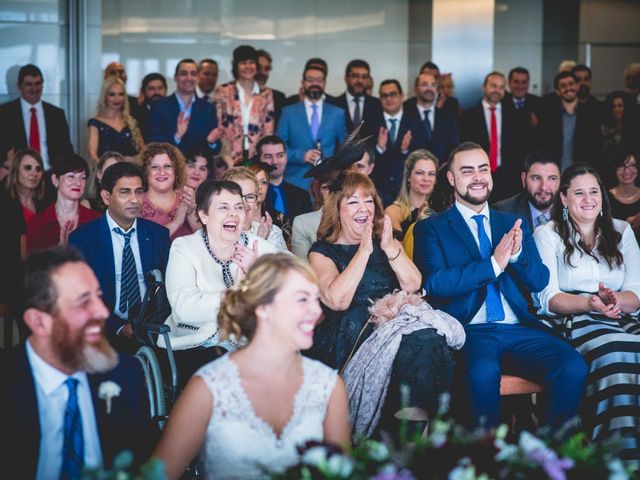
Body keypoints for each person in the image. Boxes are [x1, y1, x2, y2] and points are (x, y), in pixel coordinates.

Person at [413, 142, 587, 430]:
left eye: (483, 169)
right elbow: (435, 283)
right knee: (480, 374)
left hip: (518, 328)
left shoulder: (513, 223)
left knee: (572, 365)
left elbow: (538, 281)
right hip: (471, 331)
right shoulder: (431, 228)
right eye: (467, 171)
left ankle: (548, 457)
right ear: (451, 179)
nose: (478, 176)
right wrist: (494, 265)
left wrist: (517, 256)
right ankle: (485, 462)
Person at [153, 254, 350, 479]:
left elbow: (341, 474)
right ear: (263, 308)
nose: (316, 311)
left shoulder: (329, 387)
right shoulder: (209, 388)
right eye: (302, 299)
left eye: (316, 299)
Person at [307, 171, 454, 432]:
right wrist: (363, 250)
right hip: (352, 331)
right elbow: (337, 300)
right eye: (353, 202)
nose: (363, 208)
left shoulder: (385, 242)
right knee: (417, 344)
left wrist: (387, 247)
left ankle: (415, 431)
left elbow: (413, 284)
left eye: (368, 201)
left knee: (429, 340)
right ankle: (398, 435)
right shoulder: (322, 251)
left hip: (396, 323)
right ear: (337, 210)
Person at [0, 247, 156, 479]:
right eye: (84, 302)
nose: (103, 312)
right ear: (39, 322)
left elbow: (141, 464)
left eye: (99, 296)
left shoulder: (125, 374)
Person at [533, 163, 640, 463]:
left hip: (623, 313)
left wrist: (614, 300)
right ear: (564, 199)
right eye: (579, 193)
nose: (588, 199)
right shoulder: (548, 234)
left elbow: (637, 292)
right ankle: (616, 458)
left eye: (594, 191)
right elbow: (548, 297)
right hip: (573, 317)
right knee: (618, 350)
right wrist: (591, 303)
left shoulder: (622, 231)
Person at [159, 180, 277, 386]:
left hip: (248, 343)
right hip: (198, 343)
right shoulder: (185, 247)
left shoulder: (259, 248)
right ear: (204, 215)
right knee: (223, 366)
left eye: (238, 207)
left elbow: (285, 299)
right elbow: (184, 308)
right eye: (223, 207)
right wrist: (235, 294)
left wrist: (257, 272)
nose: (233, 214)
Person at [69, 162, 171, 351]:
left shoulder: (158, 235)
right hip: (102, 331)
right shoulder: (84, 239)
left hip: (150, 330)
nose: (134, 200)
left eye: (139, 192)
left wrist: (149, 325)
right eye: (125, 192)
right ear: (106, 197)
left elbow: (169, 287)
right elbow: (80, 296)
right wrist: (119, 327)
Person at [277, 64, 347, 190]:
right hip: (295, 181)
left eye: (319, 80)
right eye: (310, 80)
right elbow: (278, 148)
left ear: (325, 83)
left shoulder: (337, 113)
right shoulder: (288, 112)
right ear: (303, 83)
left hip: (329, 182)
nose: (315, 83)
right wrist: (301, 155)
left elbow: (344, 148)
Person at [0, 64, 74, 171]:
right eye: (28, 84)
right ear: (19, 86)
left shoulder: (56, 114)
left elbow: (66, 150)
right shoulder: (5, 113)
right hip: (16, 176)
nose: (34, 89)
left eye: (38, 83)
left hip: (50, 175)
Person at [460, 71, 520, 201]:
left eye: (501, 87)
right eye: (493, 85)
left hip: (507, 179)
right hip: (477, 177)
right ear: (484, 87)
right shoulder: (468, 116)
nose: (497, 90)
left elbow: (519, 149)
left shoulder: (514, 116)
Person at [213, 45, 275, 165]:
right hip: (227, 161)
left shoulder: (266, 94)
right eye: (243, 62)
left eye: (251, 62)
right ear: (236, 66)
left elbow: (268, 131)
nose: (248, 66)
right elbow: (219, 129)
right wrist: (229, 162)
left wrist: (260, 162)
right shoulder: (223, 91)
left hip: (257, 162)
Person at [0, 149, 48, 304]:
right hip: (9, 271)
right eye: (27, 168)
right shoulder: (4, 200)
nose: (34, 173)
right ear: (15, 171)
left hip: (40, 271)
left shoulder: (45, 202)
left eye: (38, 169)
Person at [372, 79, 430, 205]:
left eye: (392, 94)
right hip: (379, 191)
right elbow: (365, 158)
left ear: (401, 96)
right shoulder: (371, 122)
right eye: (384, 95)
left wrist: (405, 150)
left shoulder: (415, 121)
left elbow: (423, 154)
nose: (389, 99)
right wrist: (379, 148)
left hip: (407, 190)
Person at [27, 154, 100, 252]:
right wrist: (60, 250)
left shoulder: (96, 220)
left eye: (82, 177)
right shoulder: (38, 222)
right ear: (55, 180)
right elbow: (32, 265)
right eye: (71, 176)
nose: (78, 183)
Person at [148, 58, 221, 156]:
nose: (189, 78)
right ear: (175, 77)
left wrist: (211, 142)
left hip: (197, 169)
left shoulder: (208, 109)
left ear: (198, 78)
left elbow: (216, 148)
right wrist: (176, 137)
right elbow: (152, 142)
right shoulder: (159, 106)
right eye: (184, 73)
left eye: (193, 74)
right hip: (169, 167)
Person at [537, 71, 603, 172]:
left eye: (571, 84)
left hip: (582, 173)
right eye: (563, 86)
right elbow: (542, 147)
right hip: (553, 173)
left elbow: (596, 148)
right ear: (558, 91)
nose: (568, 88)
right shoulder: (548, 116)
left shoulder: (591, 115)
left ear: (577, 86)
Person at [257, 135, 313, 245]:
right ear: (259, 159)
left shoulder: (302, 195)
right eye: (268, 156)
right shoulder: (255, 196)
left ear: (286, 157)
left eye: (280, 155)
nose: (275, 161)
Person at [139, 142, 198, 240]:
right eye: (154, 167)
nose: (162, 172)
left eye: (167, 166)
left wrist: (192, 211)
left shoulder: (187, 197)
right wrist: (176, 222)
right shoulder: (137, 203)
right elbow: (144, 242)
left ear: (176, 170)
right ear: (145, 172)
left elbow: (205, 240)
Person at [222, 167, 288, 252]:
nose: (244, 204)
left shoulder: (272, 233)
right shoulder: (216, 233)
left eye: (250, 197)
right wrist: (260, 239)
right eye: (238, 196)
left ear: (256, 203)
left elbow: (281, 265)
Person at [493, 150, 561, 230]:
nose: (544, 187)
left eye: (552, 178)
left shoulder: (570, 211)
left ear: (560, 180)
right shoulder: (501, 213)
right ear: (524, 179)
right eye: (536, 178)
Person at [88, 76, 144, 163]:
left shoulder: (131, 122)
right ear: (105, 96)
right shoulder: (95, 123)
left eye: (121, 94)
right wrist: (105, 168)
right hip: (107, 173)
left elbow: (144, 151)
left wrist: (134, 158)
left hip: (131, 172)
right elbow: (93, 156)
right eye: (112, 94)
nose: (117, 99)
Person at [327, 59, 384, 143]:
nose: (360, 81)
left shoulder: (377, 104)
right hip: (340, 155)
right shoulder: (334, 105)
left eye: (364, 77)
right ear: (346, 78)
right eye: (355, 76)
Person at [385, 149, 438, 240]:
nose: (426, 179)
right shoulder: (393, 212)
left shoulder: (436, 215)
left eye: (431, 174)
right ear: (408, 177)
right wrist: (418, 227)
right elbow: (394, 248)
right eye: (420, 173)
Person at [607, 146, 640, 237]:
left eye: (632, 165)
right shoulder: (605, 197)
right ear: (614, 169)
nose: (627, 171)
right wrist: (627, 224)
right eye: (621, 166)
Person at [134, 73, 167, 142]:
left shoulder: (173, 111)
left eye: (160, 88)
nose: (156, 92)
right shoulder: (136, 113)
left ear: (166, 90)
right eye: (151, 89)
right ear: (144, 91)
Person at [256, 49, 286, 124]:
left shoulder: (279, 98)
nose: (262, 72)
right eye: (259, 67)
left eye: (266, 69)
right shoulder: (234, 97)